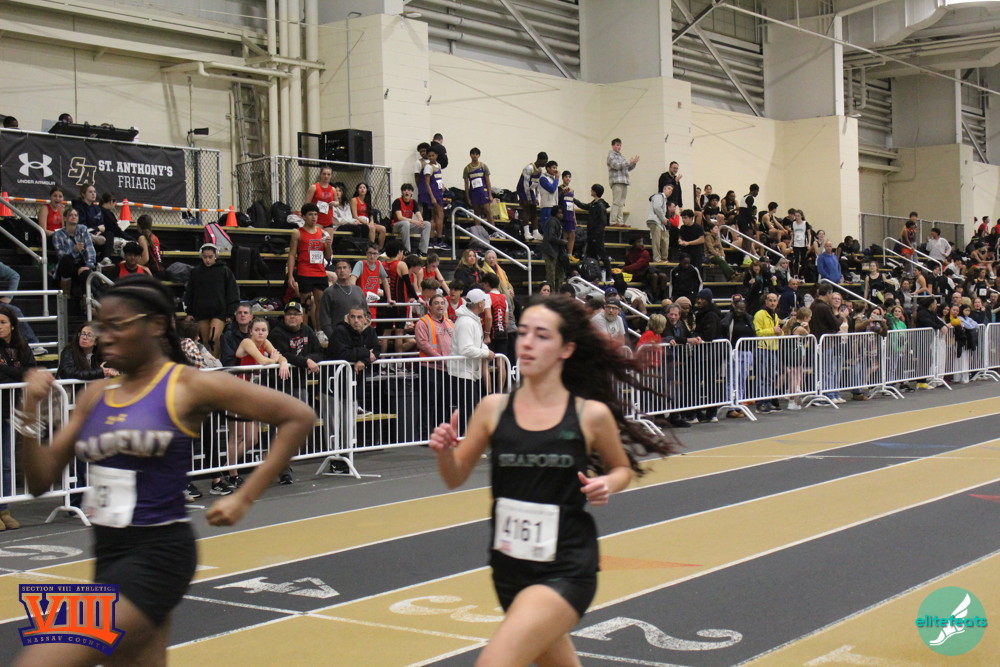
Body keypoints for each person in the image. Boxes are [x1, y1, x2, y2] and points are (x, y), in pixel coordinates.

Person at [15, 276, 315, 666]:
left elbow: (297, 416)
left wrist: (244, 496)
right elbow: (40, 482)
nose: (106, 336)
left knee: (43, 658)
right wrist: (29, 413)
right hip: (107, 552)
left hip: (159, 554)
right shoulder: (95, 396)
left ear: (156, 325)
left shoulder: (185, 385)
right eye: (101, 326)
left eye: (118, 325)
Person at [428, 296, 675, 667]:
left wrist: (608, 484)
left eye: (542, 335)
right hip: (509, 568)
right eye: (524, 332)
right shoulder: (493, 409)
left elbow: (621, 468)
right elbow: (455, 477)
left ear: (566, 349)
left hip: (566, 567)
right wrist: (446, 453)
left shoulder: (589, 415)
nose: (527, 343)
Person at [0, 304, 36, 530]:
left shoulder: (22, 347)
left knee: (6, 463)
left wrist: (7, 370)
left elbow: (31, 372)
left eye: (3, 322)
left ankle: (4, 510)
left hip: (10, 409)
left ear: (12, 325)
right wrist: (17, 373)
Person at [448, 288, 494, 430]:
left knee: (470, 409)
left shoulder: (472, 320)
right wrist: (485, 353)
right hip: (462, 372)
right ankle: (465, 439)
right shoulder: (466, 322)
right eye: (484, 301)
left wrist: (485, 350)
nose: (485, 303)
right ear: (480, 304)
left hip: (468, 371)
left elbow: (477, 343)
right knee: (467, 411)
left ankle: (467, 438)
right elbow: (466, 349)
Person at [185, 243, 240, 358]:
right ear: (201, 256)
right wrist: (189, 312)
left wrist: (230, 312)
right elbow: (190, 292)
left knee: (213, 338)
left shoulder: (224, 270)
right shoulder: (196, 272)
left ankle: (216, 362)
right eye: (205, 257)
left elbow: (232, 292)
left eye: (210, 257)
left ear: (216, 256)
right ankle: (209, 363)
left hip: (219, 311)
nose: (207, 260)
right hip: (201, 311)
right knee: (205, 340)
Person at [287, 202, 333, 331]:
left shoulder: (323, 233)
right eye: (310, 214)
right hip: (305, 272)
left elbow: (328, 256)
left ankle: (320, 331)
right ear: (303, 216)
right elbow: (292, 254)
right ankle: (304, 331)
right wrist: (290, 275)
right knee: (306, 305)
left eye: (316, 214)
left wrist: (328, 246)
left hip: (320, 272)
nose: (314, 217)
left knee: (321, 304)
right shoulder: (297, 233)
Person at [51, 206, 96, 298]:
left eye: (76, 215)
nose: (74, 217)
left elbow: (90, 249)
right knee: (68, 259)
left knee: (85, 273)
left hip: (81, 264)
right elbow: (61, 256)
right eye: (71, 215)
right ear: (65, 218)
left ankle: (86, 300)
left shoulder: (83, 229)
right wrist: (74, 250)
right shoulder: (57, 235)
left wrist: (88, 265)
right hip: (66, 267)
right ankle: (66, 292)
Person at [320, 258, 368, 344]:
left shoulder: (358, 290)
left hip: (358, 337)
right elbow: (324, 319)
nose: (342, 270)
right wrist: (333, 338)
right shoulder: (328, 292)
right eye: (339, 268)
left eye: (345, 267)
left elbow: (367, 314)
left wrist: (362, 332)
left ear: (350, 270)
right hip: (338, 337)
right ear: (335, 271)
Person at [574, 183, 612, 280]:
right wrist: (574, 200)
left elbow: (603, 222)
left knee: (602, 255)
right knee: (591, 255)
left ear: (595, 191)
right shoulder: (594, 203)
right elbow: (584, 206)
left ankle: (609, 275)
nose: (590, 191)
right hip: (591, 235)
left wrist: (596, 235)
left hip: (597, 236)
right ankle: (593, 275)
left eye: (592, 190)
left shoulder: (600, 205)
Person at [753, 292, 783, 414]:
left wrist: (780, 332)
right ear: (765, 301)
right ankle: (761, 403)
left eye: (774, 300)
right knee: (762, 376)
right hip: (762, 348)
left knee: (770, 377)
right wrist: (772, 330)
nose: (772, 303)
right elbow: (757, 332)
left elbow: (777, 331)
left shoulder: (775, 315)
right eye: (770, 300)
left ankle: (768, 400)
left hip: (773, 348)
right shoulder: (759, 314)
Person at [607, 138, 639, 227]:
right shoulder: (611, 156)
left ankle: (620, 222)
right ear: (613, 146)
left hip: (624, 181)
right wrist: (629, 162)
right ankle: (613, 221)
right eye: (617, 145)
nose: (619, 147)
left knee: (622, 202)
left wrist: (633, 163)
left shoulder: (622, 157)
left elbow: (628, 168)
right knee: (616, 201)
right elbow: (617, 166)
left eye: (620, 145)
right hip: (616, 181)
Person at [391, 183, 430, 256]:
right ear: (402, 192)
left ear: (412, 192)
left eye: (409, 190)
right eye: (404, 190)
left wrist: (421, 221)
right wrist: (415, 222)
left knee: (427, 224)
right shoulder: (397, 201)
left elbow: (419, 215)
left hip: (407, 226)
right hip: (396, 225)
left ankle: (422, 251)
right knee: (405, 223)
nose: (406, 191)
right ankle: (407, 250)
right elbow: (400, 217)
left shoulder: (413, 202)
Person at [517, 152, 547, 241]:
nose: (545, 164)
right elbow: (525, 184)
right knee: (526, 209)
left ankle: (535, 232)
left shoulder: (540, 170)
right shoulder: (529, 168)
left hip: (530, 189)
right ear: (540, 160)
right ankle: (526, 233)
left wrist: (536, 197)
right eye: (545, 161)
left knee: (534, 210)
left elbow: (537, 185)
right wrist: (528, 198)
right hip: (522, 188)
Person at [422, 147, 447, 248]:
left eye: (433, 155)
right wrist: (432, 197)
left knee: (435, 217)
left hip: (439, 192)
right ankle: (439, 239)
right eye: (429, 156)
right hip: (434, 193)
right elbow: (427, 184)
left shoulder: (439, 165)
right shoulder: (428, 167)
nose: (431, 157)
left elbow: (439, 179)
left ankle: (432, 240)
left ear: (437, 155)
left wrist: (442, 186)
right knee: (440, 216)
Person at [463, 148, 496, 225]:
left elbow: (488, 181)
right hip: (474, 193)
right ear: (470, 155)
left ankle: (493, 230)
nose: (475, 156)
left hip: (483, 192)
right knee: (476, 212)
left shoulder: (483, 166)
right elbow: (466, 185)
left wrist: (490, 195)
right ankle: (478, 230)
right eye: (473, 154)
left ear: (479, 155)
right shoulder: (467, 169)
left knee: (487, 210)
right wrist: (468, 198)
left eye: (476, 154)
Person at [350, 183, 388, 248]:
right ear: (357, 190)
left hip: (368, 221)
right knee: (372, 228)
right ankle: (371, 249)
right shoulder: (354, 200)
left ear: (366, 190)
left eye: (364, 187)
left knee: (383, 229)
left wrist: (371, 222)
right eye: (360, 188)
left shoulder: (367, 200)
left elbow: (370, 214)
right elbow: (355, 216)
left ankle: (380, 249)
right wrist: (367, 223)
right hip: (359, 221)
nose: (362, 189)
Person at [220, 301, 253, 366]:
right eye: (239, 313)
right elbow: (228, 361)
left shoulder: (256, 333)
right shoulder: (227, 335)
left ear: (251, 317)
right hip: (236, 370)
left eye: (245, 313)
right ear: (236, 317)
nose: (242, 315)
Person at [646, 182, 671, 263]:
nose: (670, 191)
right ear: (664, 189)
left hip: (660, 222)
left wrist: (664, 219)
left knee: (665, 237)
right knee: (656, 240)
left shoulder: (664, 199)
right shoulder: (658, 196)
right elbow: (657, 207)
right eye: (669, 189)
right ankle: (656, 258)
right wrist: (664, 219)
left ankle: (664, 257)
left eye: (671, 190)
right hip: (654, 220)